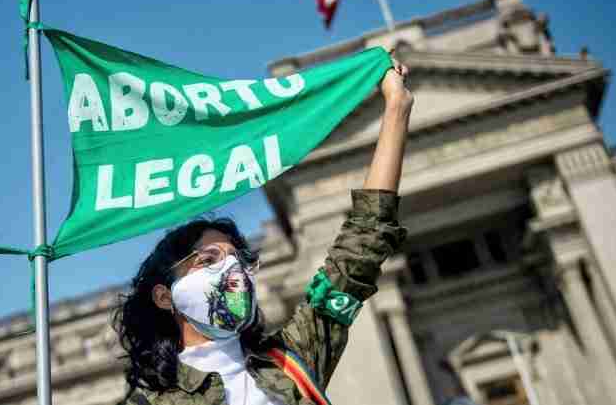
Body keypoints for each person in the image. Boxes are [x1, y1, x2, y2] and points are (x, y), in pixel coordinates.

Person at [113, 54, 414, 405]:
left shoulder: (292, 360)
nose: (231, 271)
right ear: (165, 297)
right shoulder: (149, 403)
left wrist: (397, 108)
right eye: (208, 259)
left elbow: (365, 240)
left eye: (237, 260)